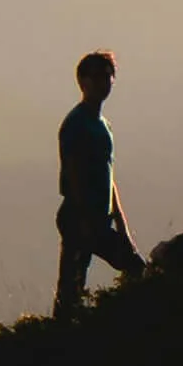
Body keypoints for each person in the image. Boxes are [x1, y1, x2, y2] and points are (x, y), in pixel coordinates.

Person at [55, 51, 147, 317]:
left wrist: (121, 221)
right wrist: (85, 216)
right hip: (79, 215)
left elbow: (109, 174)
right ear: (82, 81)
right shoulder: (76, 123)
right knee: (73, 285)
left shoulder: (102, 124)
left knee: (75, 284)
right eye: (95, 77)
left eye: (107, 77)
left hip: (98, 216)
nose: (102, 83)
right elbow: (73, 173)